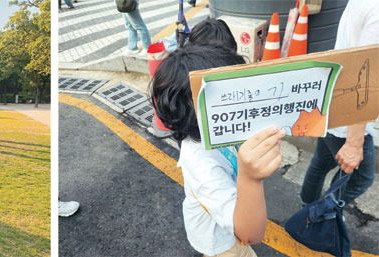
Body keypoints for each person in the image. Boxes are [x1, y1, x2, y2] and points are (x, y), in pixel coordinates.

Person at [150, 45, 285, 256]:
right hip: (221, 243)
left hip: (224, 219)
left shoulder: (217, 131)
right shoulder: (202, 163)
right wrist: (251, 178)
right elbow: (251, 234)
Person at [299, 0, 377, 206]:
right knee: (361, 178)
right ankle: (320, 216)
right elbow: (366, 75)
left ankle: (307, 208)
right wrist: (354, 142)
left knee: (321, 162)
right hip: (350, 114)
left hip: (335, 100)